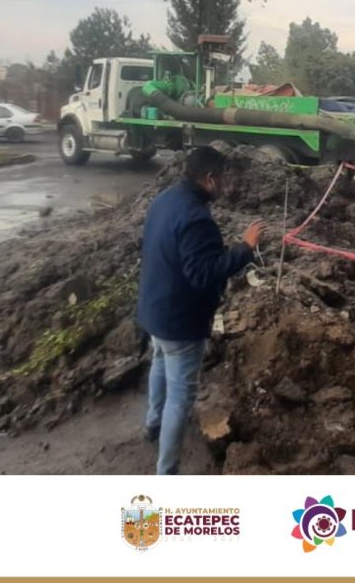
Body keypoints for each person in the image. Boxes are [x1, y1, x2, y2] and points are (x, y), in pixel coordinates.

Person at [137, 146, 265, 475]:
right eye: (223, 177)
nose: (226, 184)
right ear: (209, 178)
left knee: (159, 362)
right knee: (180, 397)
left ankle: (153, 423)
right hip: (180, 321)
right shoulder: (196, 218)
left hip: (154, 308)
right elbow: (204, 274)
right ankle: (167, 472)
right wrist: (245, 249)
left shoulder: (165, 199)